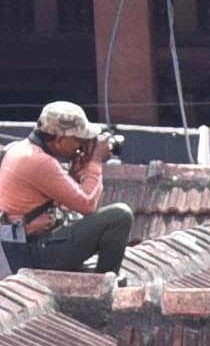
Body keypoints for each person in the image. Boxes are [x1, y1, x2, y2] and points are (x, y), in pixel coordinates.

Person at [1, 100, 131, 275]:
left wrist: (78, 168)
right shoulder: (39, 162)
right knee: (120, 215)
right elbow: (87, 205)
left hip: (26, 246)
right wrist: (95, 162)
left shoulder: (23, 150)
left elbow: (68, 198)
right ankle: (105, 283)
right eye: (78, 140)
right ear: (60, 139)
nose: (81, 145)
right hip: (34, 253)